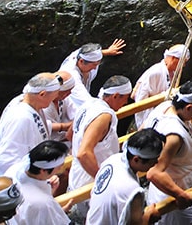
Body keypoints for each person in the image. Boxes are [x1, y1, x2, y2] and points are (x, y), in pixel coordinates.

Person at [67, 75, 132, 221]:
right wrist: (103, 179)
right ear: (115, 96)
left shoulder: (88, 103)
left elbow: (70, 134)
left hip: (77, 175)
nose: (126, 102)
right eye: (125, 98)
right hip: (90, 179)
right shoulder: (103, 116)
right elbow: (83, 154)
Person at [145, 79, 192, 225]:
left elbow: (142, 131)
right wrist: (180, 195)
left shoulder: (164, 106)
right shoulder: (174, 137)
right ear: (189, 107)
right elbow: (154, 173)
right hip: (173, 198)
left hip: (163, 190)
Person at [87, 128, 165, 225]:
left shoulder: (112, 160)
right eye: (153, 160)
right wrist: (149, 216)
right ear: (136, 159)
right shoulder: (132, 189)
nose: (156, 162)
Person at [0, 72, 61, 178]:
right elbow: (8, 160)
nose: (54, 101)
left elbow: (36, 128)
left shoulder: (31, 104)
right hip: (20, 182)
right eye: (53, 98)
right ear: (42, 94)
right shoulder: (20, 118)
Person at [5, 140, 71, 224]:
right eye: (59, 166)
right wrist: (55, 212)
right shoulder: (43, 203)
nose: (61, 167)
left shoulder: (13, 169)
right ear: (43, 171)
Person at [61, 40, 126, 120]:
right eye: (94, 65)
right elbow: (88, 102)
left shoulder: (82, 55)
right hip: (71, 105)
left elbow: (89, 52)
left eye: (98, 63)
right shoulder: (72, 77)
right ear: (81, 61)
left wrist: (108, 51)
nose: (95, 68)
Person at [132, 44, 190, 129]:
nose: (183, 66)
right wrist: (162, 97)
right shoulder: (156, 72)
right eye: (183, 62)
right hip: (150, 117)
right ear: (174, 58)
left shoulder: (173, 74)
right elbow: (138, 97)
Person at [44, 70, 76, 142]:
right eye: (67, 91)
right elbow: (45, 127)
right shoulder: (44, 106)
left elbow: (75, 112)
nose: (69, 93)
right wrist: (68, 126)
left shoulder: (64, 99)